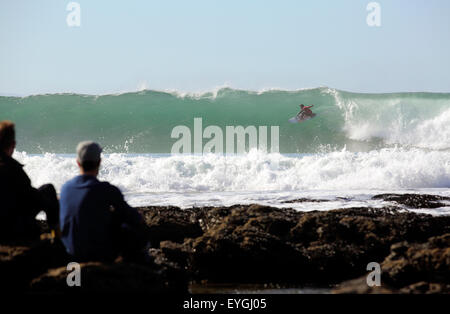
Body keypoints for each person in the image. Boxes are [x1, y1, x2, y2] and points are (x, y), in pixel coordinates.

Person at [59, 141, 149, 262]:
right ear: (99, 162)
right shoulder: (106, 190)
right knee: (128, 225)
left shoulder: (65, 188)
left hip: (70, 252)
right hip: (98, 255)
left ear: (77, 162)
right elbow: (134, 218)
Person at [0, 120, 59, 242]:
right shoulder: (12, 168)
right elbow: (29, 196)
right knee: (48, 189)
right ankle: (57, 236)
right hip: (13, 224)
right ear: (13, 144)